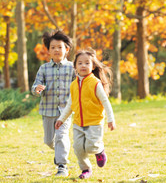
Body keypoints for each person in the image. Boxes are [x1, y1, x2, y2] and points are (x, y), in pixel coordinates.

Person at [55, 49, 116, 180]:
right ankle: (86, 169)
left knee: (91, 146)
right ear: (75, 66)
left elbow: (105, 102)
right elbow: (70, 105)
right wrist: (61, 119)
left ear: (92, 66)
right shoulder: (73, 85)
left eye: (87, 63)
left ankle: (99, 151)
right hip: (78, 123)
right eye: (80, 63)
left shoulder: (95, 83)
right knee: (78, 148)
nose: (83, 65)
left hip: (94, 122)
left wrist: (111, 119)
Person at [31, 30, 76, 177]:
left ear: (66, 50)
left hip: (65, 111)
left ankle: (62, 166)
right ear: (48, 51)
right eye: (53, 47)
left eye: (60, 47)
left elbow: (78, 86)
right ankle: (59, 150)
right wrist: (37, 89)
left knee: (62, 136)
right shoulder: (43, 69)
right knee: (49, 141)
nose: (56, 50)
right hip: (47, 110)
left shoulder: (72, 68)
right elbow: (36, 85)